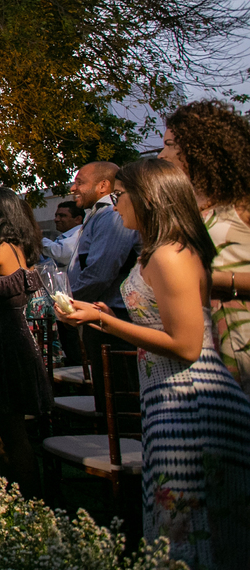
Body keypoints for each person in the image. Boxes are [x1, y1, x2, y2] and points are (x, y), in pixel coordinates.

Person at [59, 159, 250, 570]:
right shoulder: (155, 251)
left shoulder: (170, 255)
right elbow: (157, 321)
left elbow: (186, 345)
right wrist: (101, 315)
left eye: (121, 195)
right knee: (172, 521)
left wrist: (104, 320)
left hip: (191, 399)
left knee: (188, 527)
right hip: (164, 394)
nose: (116, 203)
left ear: (147, 199)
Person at [161, 99, 250, 397]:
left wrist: (218, 281)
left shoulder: (242, 205)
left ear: (200, 149)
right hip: (204, 352)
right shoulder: (187, 211)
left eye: (170, 144)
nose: (163, 154)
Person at [0, 187, 54, 497]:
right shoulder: (18, 244)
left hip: (0, 341)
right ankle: (28, 496)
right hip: (18, 337)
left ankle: (25, 499)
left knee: (7, 429)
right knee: (14, 428)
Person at [67, 161, 141, 368]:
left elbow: (100, 273)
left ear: (103, 186)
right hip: (100, 314)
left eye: (80, 182)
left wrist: (69, 302)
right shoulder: (98, 214)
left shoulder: (111, 215)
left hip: (114, 316)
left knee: (117, 391)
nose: (73, 189)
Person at [42, 201, 84, 268]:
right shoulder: (64, 237)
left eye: (62, 216)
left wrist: (38, 239)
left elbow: (61, 254)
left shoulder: (80, 233)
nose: (56, 219)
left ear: (77, 219)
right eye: (56, 216)